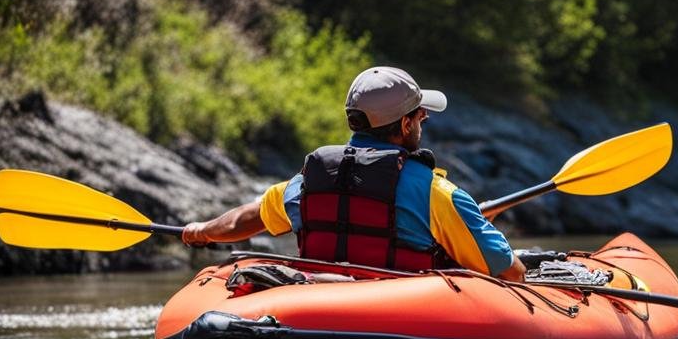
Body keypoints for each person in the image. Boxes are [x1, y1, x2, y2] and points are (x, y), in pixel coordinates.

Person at [182, 66, 526, 281]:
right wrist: (472, 225)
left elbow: (245, 219)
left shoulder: (310, 181)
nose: (423, 122)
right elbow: (509, 270)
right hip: (406, 316)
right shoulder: (437, 193)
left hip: (316, 305)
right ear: (405, 123)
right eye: (421, 116)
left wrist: (200, 231)